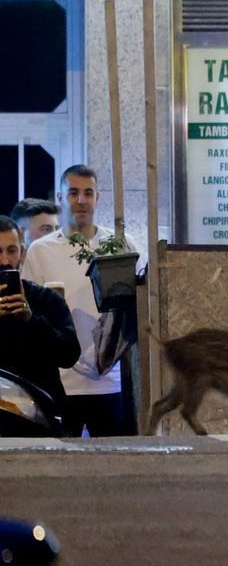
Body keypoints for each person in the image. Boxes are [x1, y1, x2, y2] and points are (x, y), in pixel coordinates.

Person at [21, 165, 141, 437]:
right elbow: (30, 321)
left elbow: (141, 304)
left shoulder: (122, 246)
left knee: (115, 466)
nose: (82, 200)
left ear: (98, 197)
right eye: (73, 192)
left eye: (88, 193)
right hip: (62, 383)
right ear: (61, 198)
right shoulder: (41, 251)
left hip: (111, 382)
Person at [0, 215, 79, 425]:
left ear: (23, 253)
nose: (5, 261)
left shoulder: (46, 299)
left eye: (11, 250)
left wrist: (31, 320)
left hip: (42, 417)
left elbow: (69, 354)